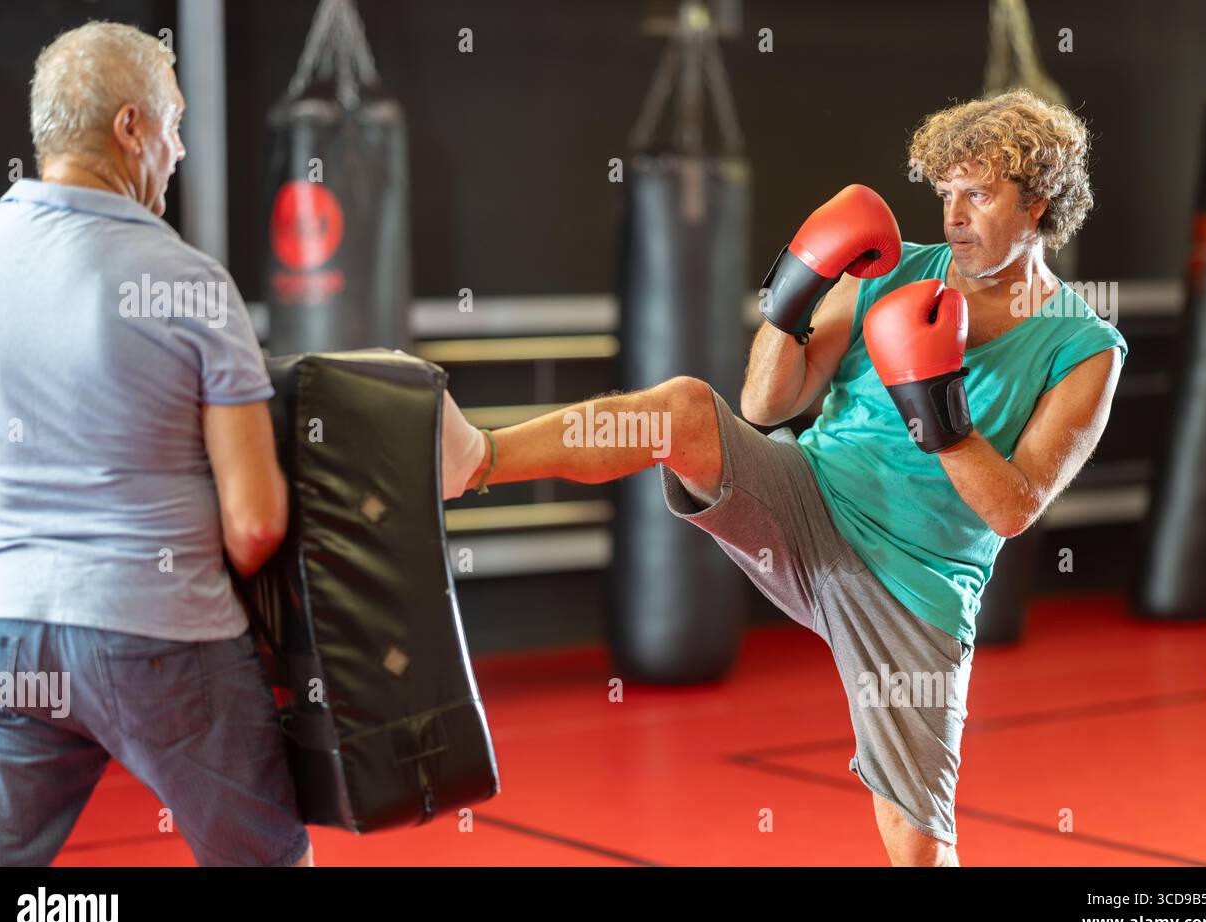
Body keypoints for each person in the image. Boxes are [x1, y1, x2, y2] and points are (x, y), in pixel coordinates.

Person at [459, 89, 1127, 866]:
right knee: (683, 409)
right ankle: (478, 456)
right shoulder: (889, 270)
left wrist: (937, 409)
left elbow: (1012, 508)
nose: (954, 216)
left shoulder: (1085, 347)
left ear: (1039, 200)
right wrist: (788, 302)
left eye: (978, 194)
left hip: (917, 587)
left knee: (918, 844)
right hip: (808, 501)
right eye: (946, 193)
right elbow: (764, 403)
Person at [0, 21, 314, 866]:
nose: (183, 149)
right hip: (160, 637)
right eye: (175, 124)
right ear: (130, 127)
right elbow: (256, 522)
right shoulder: (189, 282)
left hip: (4, 632)